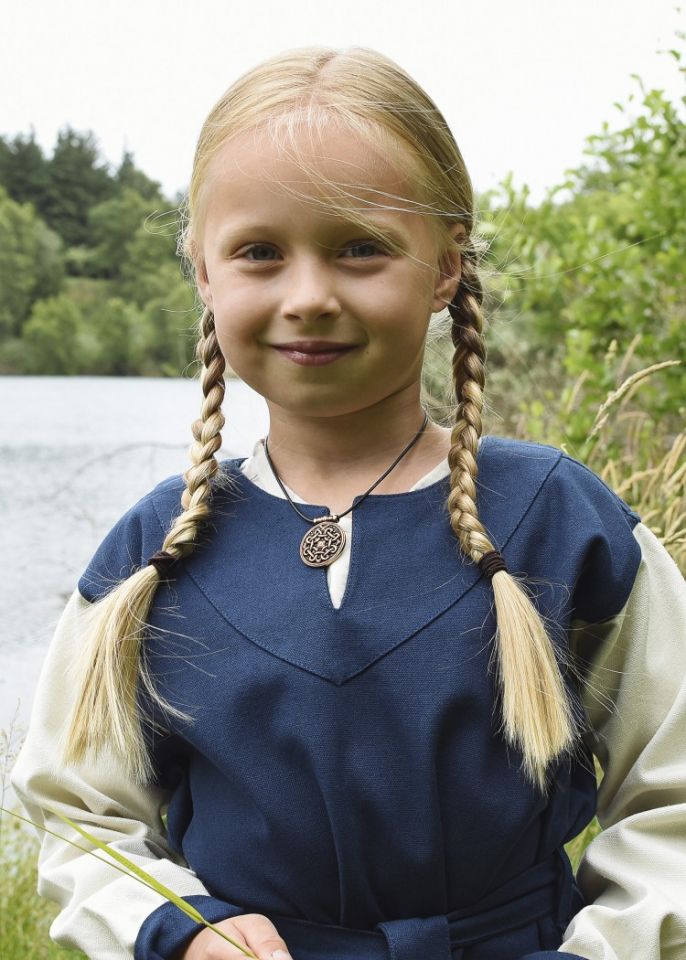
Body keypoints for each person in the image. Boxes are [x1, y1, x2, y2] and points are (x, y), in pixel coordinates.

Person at [10, 45, 686, 960]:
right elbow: (76, 809)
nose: (309, 296)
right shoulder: (155, 551)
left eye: (359, 248)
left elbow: (670, 795)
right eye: (259, 253)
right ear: (205, 275)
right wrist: (176, 929)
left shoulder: (562, 525)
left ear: (445, 268)